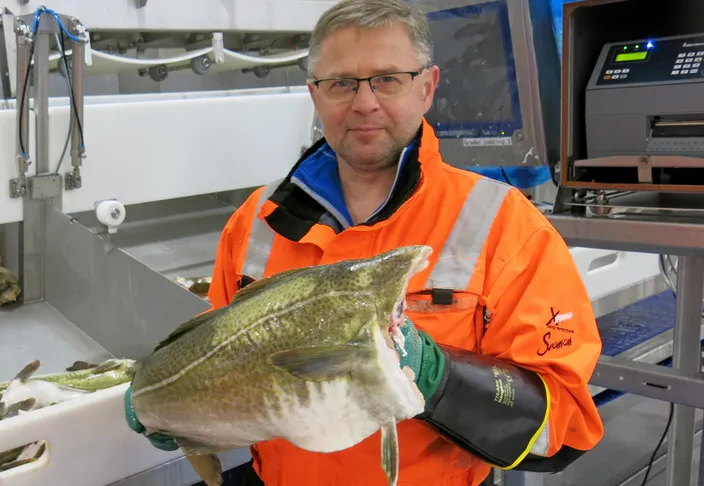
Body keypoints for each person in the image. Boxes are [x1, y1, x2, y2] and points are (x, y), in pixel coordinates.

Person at [124, 0, 605, 484]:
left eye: (388, 79)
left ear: (428, 87)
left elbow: (562, 428)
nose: (365, 102)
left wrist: (440, 377)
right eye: (341, 84)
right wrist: (173, 403)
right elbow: (220, 360)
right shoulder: (256, 219)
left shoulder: (506, 224)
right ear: (315, 94)